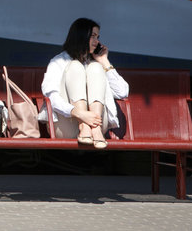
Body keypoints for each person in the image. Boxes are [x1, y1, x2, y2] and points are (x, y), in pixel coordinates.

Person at [39, 18, 129, 149]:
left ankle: (92, 128)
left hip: (96, 127)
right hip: (67, 125)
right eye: (92, 36)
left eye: (97, 37)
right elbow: (51, 97)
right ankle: (84, 126)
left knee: (95, 68)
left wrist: (104, 62)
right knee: (75, 66)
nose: (97, 41)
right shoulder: (59, 61)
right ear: (81, 36)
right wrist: (80, 114)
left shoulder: (96, 63)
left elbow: (123, 92)